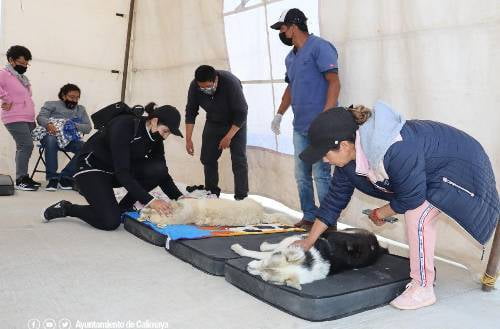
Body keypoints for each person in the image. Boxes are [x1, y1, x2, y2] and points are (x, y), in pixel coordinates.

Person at [294, 102, 499, 310]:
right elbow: (334, 201)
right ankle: (423, 282)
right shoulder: (348, 163)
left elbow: (412, 197)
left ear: (345, 146)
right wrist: (309, 240)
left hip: (462, 167)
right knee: (414, 209)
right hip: (430, 171)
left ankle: (423, 288)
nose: (324, 160)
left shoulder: (394, 148)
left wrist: (382, 212)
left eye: (325, 153)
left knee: (417, 216)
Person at [42, 103, 185, 231]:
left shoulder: (156, 138)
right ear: (154, 121)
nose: (165, 137)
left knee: (157, 168)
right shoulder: (125, 125)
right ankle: (67, 208)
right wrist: (151, 201)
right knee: (110, 221)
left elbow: (162, 172)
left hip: (116, 171)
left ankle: (123, 208)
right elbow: (122, 172)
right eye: (165, 131)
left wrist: (180, 197)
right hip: (91, 168)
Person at [269, 8, 340, 229]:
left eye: (282, 27)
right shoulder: (290, 58)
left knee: (321, 174)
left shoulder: (320, 47)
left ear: (294, 25)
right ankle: (309, 216)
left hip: (320, 126)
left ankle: (328, 222)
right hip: (300, 126)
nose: (281, 32)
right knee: (301, 174)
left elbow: (334, 82)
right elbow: (291, 87)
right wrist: (279, 114)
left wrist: (326, 117)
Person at [185, 65, 248, 200]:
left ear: (215, 80)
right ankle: (212, 192)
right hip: (213, 122)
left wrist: (228, 137)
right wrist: (188, 139)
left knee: (239, 159)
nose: (205, 90)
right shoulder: (195, 86)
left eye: (208, 87)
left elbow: (242, 112)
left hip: (235, 123)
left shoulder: (230, 83)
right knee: (207, 158)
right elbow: (190, 111)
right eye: (202, 88)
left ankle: (241, 197)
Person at [37, 83, 91, 190]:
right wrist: (48, 124)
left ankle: (65, 177)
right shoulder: (51, 104)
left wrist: (74, 125)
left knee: (88, 148)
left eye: (77, 98)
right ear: (63, 96)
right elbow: (40, 118)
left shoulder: (81, 109)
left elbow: (88, 127)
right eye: (71, 97)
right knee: (51, 139)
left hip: (69, 140)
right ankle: (52, 178)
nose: (74, 100)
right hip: (51, 137)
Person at [0, 45, 40, 191]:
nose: (24, 66)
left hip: (28, 117)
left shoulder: (23, 78)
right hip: (14, 117)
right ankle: (20, 179)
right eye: (21, 63)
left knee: (23, 147)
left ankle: (23, 176)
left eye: (26, 63)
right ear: (11, 60)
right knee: (26, 145)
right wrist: (5, 99)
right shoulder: (4, 73)